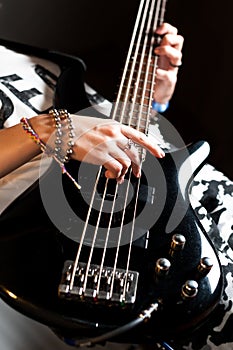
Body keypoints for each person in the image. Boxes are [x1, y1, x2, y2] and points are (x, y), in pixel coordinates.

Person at [0, 20, 232, 350]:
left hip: (191, 212)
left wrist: (152, 104)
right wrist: (52, 128)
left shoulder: (48, 61)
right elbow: (69, 132)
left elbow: (107, 140)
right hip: (92, 252)